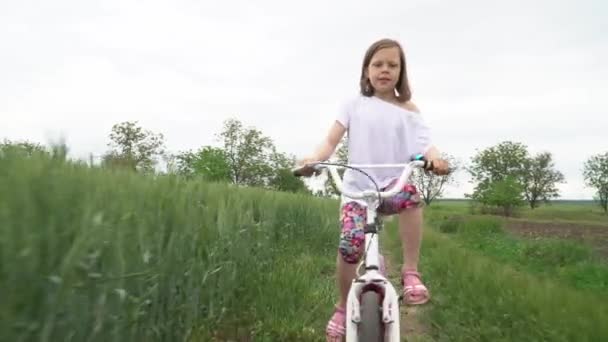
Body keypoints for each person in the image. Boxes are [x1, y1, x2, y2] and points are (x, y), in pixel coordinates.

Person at [297, 38, 449, 341]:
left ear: (401, 72)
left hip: (391, 188)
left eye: (393, 65)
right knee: (350, 247)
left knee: (412, 199)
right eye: (378, 64)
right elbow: (330, 141)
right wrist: (313, 159)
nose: (385, 70)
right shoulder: (353, 104)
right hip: (356, 191)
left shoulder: (409, 110)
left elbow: (425, 145)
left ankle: (410, 272)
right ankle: (342, 306)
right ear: (366, 71)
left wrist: (434, 158)